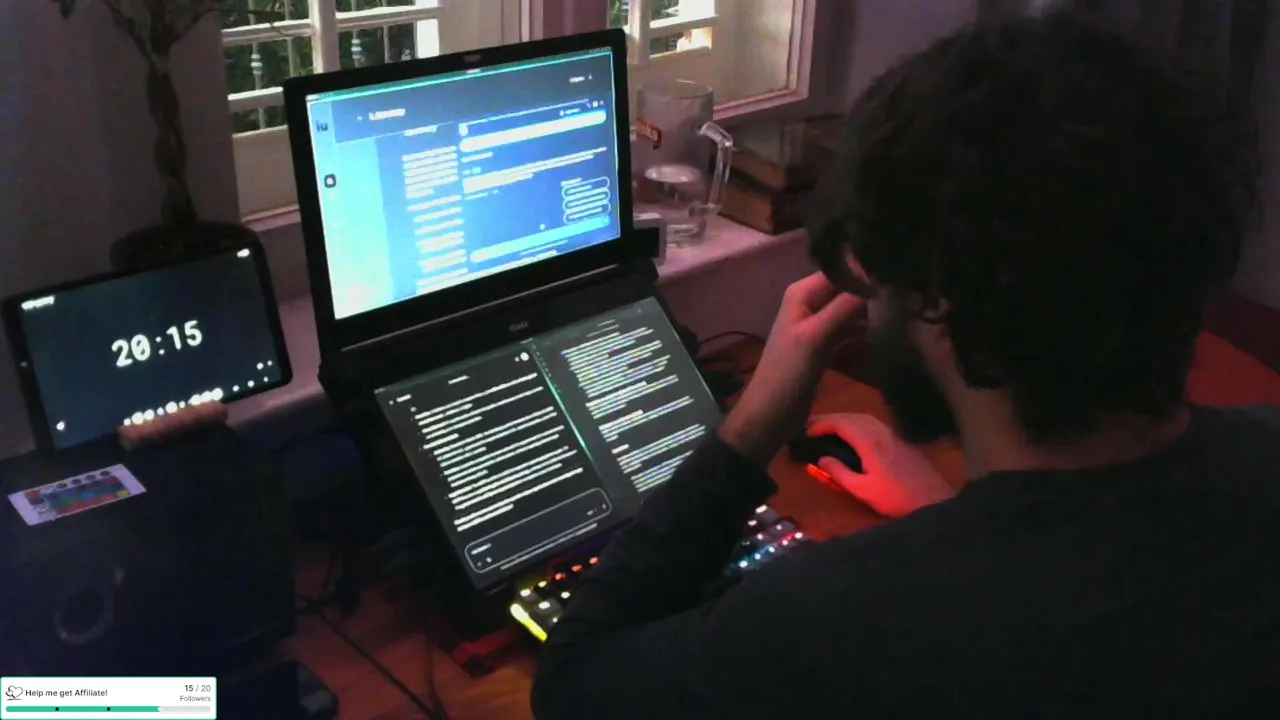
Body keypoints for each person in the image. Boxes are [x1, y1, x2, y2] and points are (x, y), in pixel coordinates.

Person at [532, 9, 1279, 719]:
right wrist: (948, 518)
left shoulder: (843, 623)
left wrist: (749, 430)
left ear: (937, 296)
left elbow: (576, 682)